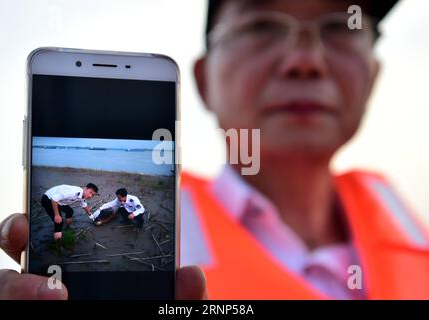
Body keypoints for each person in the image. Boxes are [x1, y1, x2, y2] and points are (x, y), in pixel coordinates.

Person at [179, 0, 429, 299]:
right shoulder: (141, 250)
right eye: (262, 27)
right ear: (204, 80)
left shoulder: (413, 240)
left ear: (373, 76)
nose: (305, 62)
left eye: (340, 27)